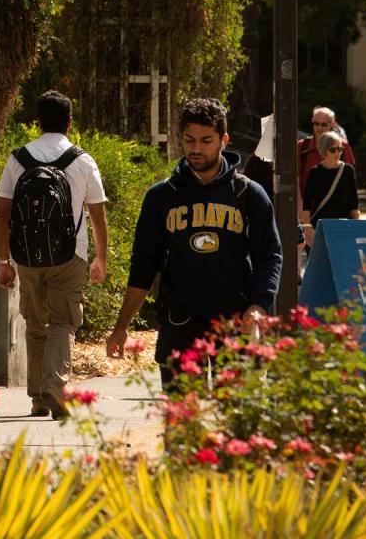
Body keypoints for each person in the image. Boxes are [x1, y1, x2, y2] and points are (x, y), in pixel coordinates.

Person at [105, 98, 282, 385]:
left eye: (206, 140)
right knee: (182, 423)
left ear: (224, 140)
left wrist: (259, 305)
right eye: (189, 140)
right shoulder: (162, 196)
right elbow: (143, 264)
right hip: (180, 325)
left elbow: (270, 255)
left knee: (234, 423)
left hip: (234, 323)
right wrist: (121, 326)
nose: (196, 149)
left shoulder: (248, 194)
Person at [0, 90, 109, 420]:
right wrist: (100, 258)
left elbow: (3, 214)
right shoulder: (82, 161)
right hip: (70, 255)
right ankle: (56, 386)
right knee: (64, 321)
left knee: (35, 324)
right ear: (69, 123)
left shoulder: (18, 159)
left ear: (38, 122)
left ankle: (38, 398)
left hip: (27, 257)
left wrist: (4, 261)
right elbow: (97, 215)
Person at [300, 131, 360, 250]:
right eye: (333, 149)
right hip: (320, 227)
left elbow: (354, 203)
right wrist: (307, 229)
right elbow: (307, 205)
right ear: (323, 150)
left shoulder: (348, 170)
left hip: (343, 226)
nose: (337, 152)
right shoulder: (315, 172)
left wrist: (356, 228)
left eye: (340, 149)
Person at [297, 107, 355, 217]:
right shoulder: (302, 146)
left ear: (332, 124)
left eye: (324, 124)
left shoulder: (343, 146)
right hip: (310, 210)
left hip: (339, 212)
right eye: (316, 123)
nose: (319, 128)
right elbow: (296, 179)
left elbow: (351, 182)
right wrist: (301, 207)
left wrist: (354, 211)